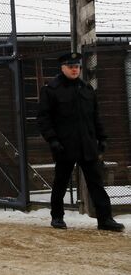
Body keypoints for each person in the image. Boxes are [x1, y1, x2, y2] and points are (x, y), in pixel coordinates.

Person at [37, 52, 125, 232]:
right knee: (61, 182)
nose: (74, 69)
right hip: (64, 145)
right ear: (62, 68)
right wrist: (52, 140)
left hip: (87, 145)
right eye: (70, 66)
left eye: (77, 66)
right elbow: (44, 119)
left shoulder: (87, 89)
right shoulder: (51, 90)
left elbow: (95, 117)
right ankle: (57, 217)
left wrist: (102, 138)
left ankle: (105, 219)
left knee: (96, 183)